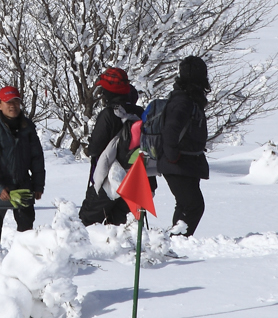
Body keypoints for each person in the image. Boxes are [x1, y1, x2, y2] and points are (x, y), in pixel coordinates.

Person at [148, 56, 210, 236]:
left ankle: (176, 241)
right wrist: (173, 156)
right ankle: (178, 240)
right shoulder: (183, 101)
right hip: (178, 162)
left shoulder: (187, 99)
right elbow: (171, 131)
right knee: (193, 205)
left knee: (185, 205)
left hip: (186, 162)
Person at [0, 85, 46, 243]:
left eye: (16, 101)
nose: (12, 105)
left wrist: (38, 185)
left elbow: (37, 159)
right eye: (8, 102)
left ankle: (23, 262)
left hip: (22, 186)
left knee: (27, 232)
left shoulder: (28, 128)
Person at [79, 67, 143, 226]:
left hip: (108, 178)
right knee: (120, 225)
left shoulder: (108, 114)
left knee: (88, 221)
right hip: (135, 179)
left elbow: (95, 149)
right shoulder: (140, 113)